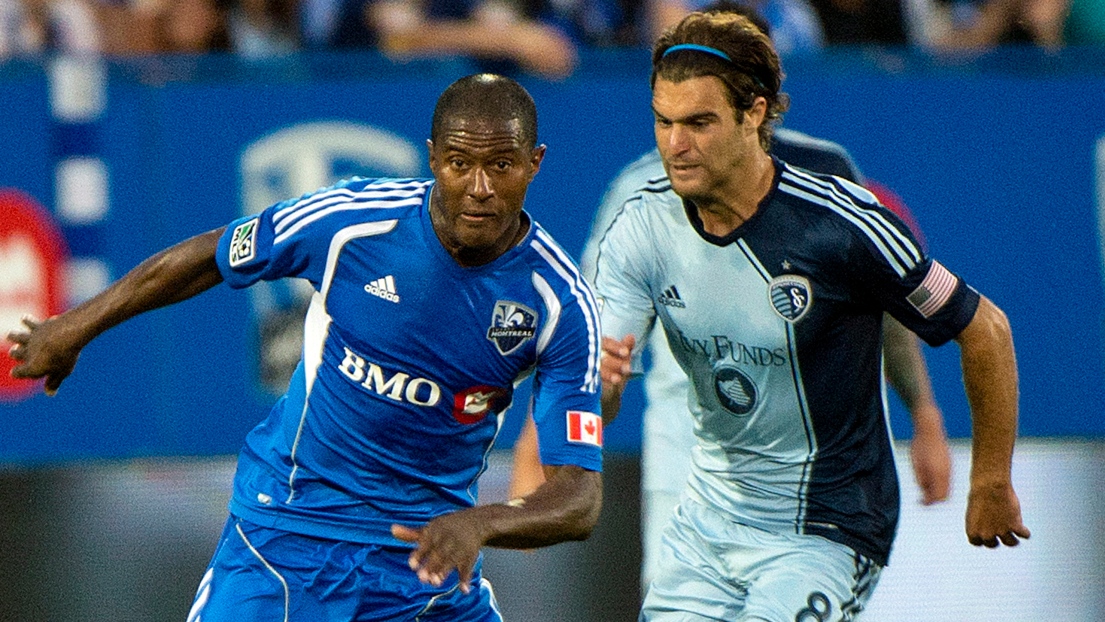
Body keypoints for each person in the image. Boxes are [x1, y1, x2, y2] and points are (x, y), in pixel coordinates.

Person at [7, 73, 606, 621]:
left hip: (426, 560)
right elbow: (209, 259)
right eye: (458, 163)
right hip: (289, 534)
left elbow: (578, 498)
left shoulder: (559, 304)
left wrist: (484, 522)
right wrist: (74, 326)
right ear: (432, 160)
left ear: (535, 163)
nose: (478, 188)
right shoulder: (352, 223)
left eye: (501, 166)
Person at [596, 11, 1027, 620]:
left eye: (698, 123)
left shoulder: (842, 222)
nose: (674, 145)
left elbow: (986, 328)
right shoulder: (640, 226)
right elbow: (598, 396)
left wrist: (989, 477)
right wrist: (605, 391)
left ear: (754, 114)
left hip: (827, 528)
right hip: (706, 530)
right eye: (663, 122)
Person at [508, 0, 952, 591]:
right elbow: (593, 340)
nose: (681, 138)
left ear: (759, 98)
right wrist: (535, 448)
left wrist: (922, 411)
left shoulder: (830, 175)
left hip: (813, 479)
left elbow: (887, 307)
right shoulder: (640, 193)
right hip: (687, 464)